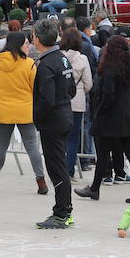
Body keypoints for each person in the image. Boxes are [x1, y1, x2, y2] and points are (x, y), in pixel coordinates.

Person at [0, 31, 47, 195]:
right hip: (25, 110)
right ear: (19, 44)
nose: (28, 46)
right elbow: (35, 87)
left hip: (4, 110)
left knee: (1, 147)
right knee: (32, 147)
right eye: (26, 43)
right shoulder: (29, 63)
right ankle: (41, 181)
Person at [74, 35, 130, 204]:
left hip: (109, 116)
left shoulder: (109, 68)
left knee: (103, 154)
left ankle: (95, 189)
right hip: (126, 115)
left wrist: (100, 111)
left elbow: (108, 93)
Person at [30, 20, 77, 229]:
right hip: (64, 114)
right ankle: (65, 210)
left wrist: (38, 118)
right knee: (60, 166)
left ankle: (61, 213)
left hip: (53, 120)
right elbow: (71, 89)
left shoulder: (47, 64)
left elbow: (47, 99)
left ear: (38, 39)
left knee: (56, 168)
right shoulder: (62, 58)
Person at [60, 28, 92, 179]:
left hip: (60, 101)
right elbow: (89, 83)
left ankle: (59, 169)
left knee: (60, 138)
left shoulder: (59, 57)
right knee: (73, 138)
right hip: (77, 101)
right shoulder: (82, 59)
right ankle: (69, 171)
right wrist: (80, 90)